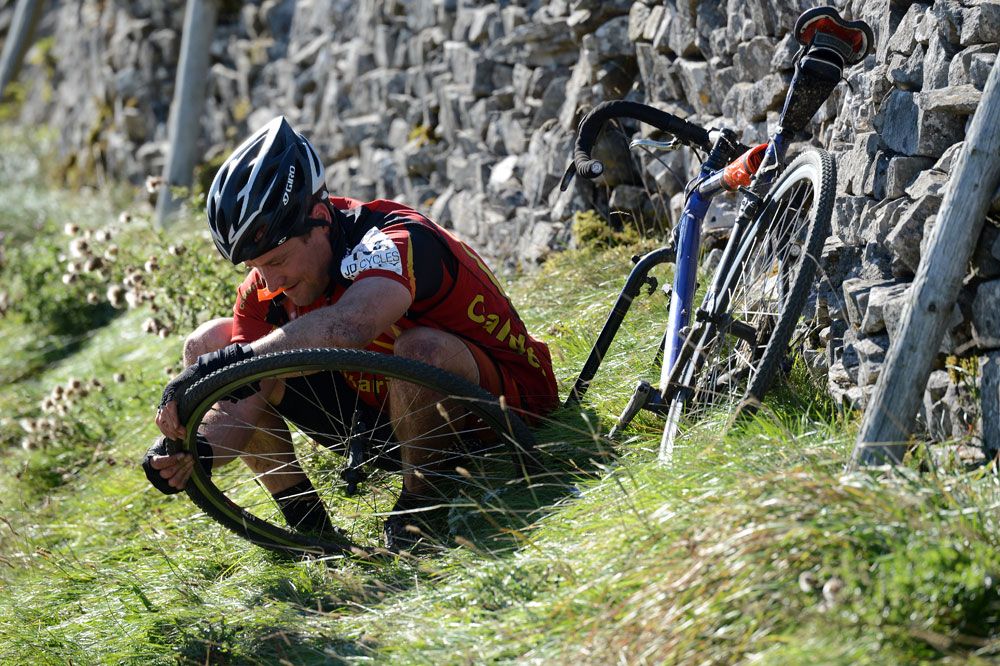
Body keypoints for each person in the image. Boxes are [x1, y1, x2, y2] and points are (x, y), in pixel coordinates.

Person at [141, 116, 559, 551]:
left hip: (504, 410)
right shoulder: (269, 287)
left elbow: (351, 325)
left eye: (279, 260)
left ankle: (420, 512)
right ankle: (309, 529)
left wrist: (238, 361)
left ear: (320, 219)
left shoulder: (394, 239)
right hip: (391, 421)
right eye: (255, 267)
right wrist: (194, 452)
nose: (270, 280)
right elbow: (242, 404)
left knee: (420, 349)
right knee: (210, 343)